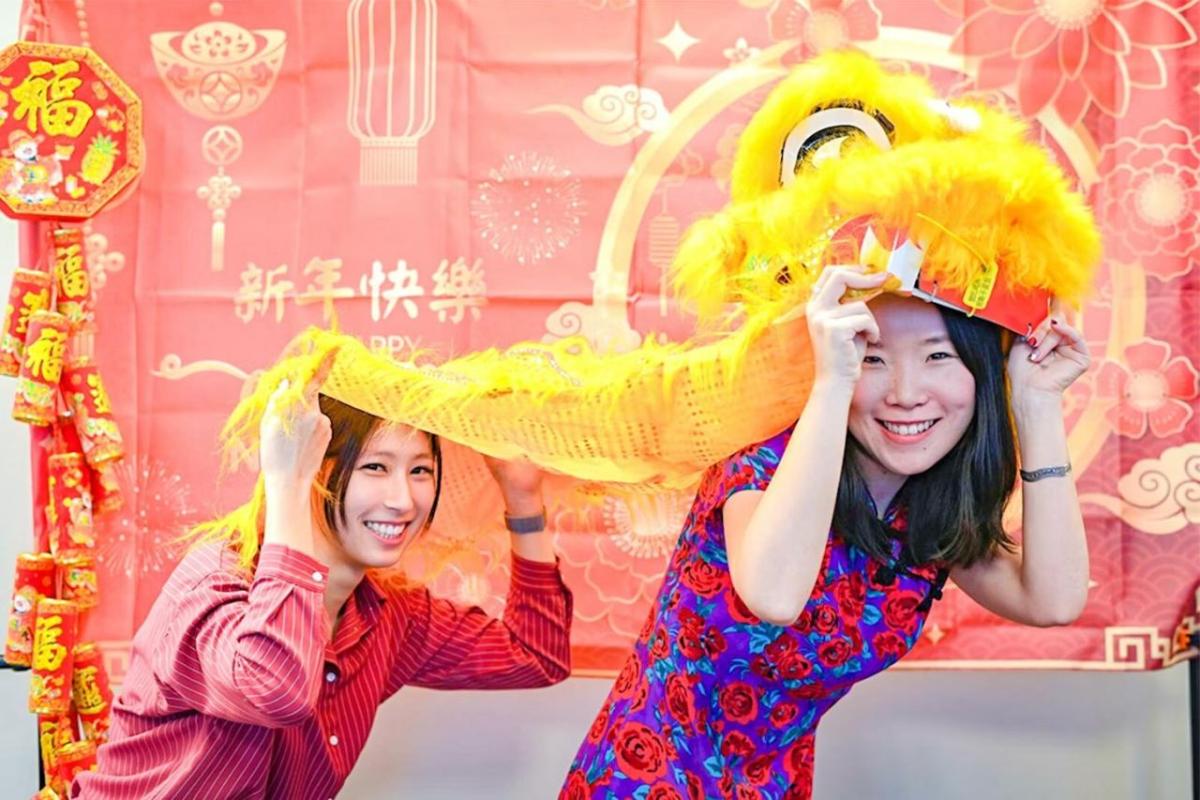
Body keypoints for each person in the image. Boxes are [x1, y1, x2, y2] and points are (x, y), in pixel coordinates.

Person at [560, 266, 1090, 800]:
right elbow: (775, 595)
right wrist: (833, 380)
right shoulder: (763, 465)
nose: (906, 394)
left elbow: (1052, 600)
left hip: (773, 787)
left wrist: (1036, 404)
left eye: (938, 356)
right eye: (871, 356)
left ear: (980, 370)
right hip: (645, 776)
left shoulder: (924, 513)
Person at [74, 355, 573, 799]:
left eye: (420, 471)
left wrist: (523, 499)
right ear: (316, 467)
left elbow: (537, 654)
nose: (402, 501)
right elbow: (277, 689)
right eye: (376, 467)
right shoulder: (214, 585)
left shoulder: (389, 614)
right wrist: (287, 482)